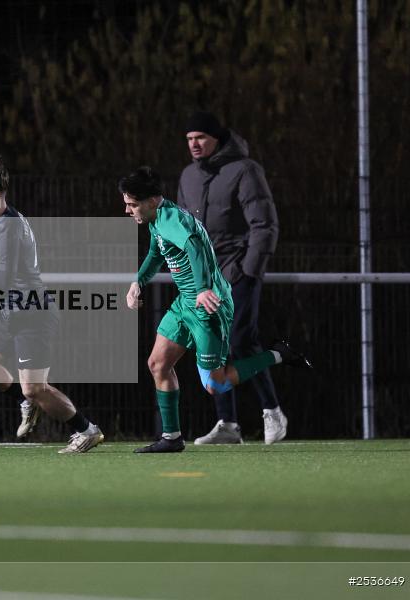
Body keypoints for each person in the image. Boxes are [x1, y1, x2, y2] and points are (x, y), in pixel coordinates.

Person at [121, 166, 310, 453]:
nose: (127, 210)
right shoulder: (157, 220)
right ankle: (171, 438)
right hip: (185, 302)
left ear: (151, 200)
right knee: (158, 364)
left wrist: (203, 289)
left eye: (132, 204)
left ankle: (278, 354)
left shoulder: (172, 220)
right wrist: (138, 281)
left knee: (215, 384)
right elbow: (156, 253)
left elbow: (195, 246)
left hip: (208, 304)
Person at [0, 157, 104, 453]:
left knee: (36, 388)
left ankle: (87, 430)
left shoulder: (8, 227)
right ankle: (25, 401)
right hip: (14, 310)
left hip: (33, 314)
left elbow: (0, 284)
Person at [177, 111, 286, 445]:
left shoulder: (245, 170)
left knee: (240, 340)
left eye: (201, 138)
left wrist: (249, 269)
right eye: (189, 139)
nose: (194, 145)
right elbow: (184, 229)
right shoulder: (188, 176)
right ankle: (228, 424)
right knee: (213, 347)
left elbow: (264, 224)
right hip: (205, 279)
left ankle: (272, 411)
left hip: (237, 271)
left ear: (217, 139)